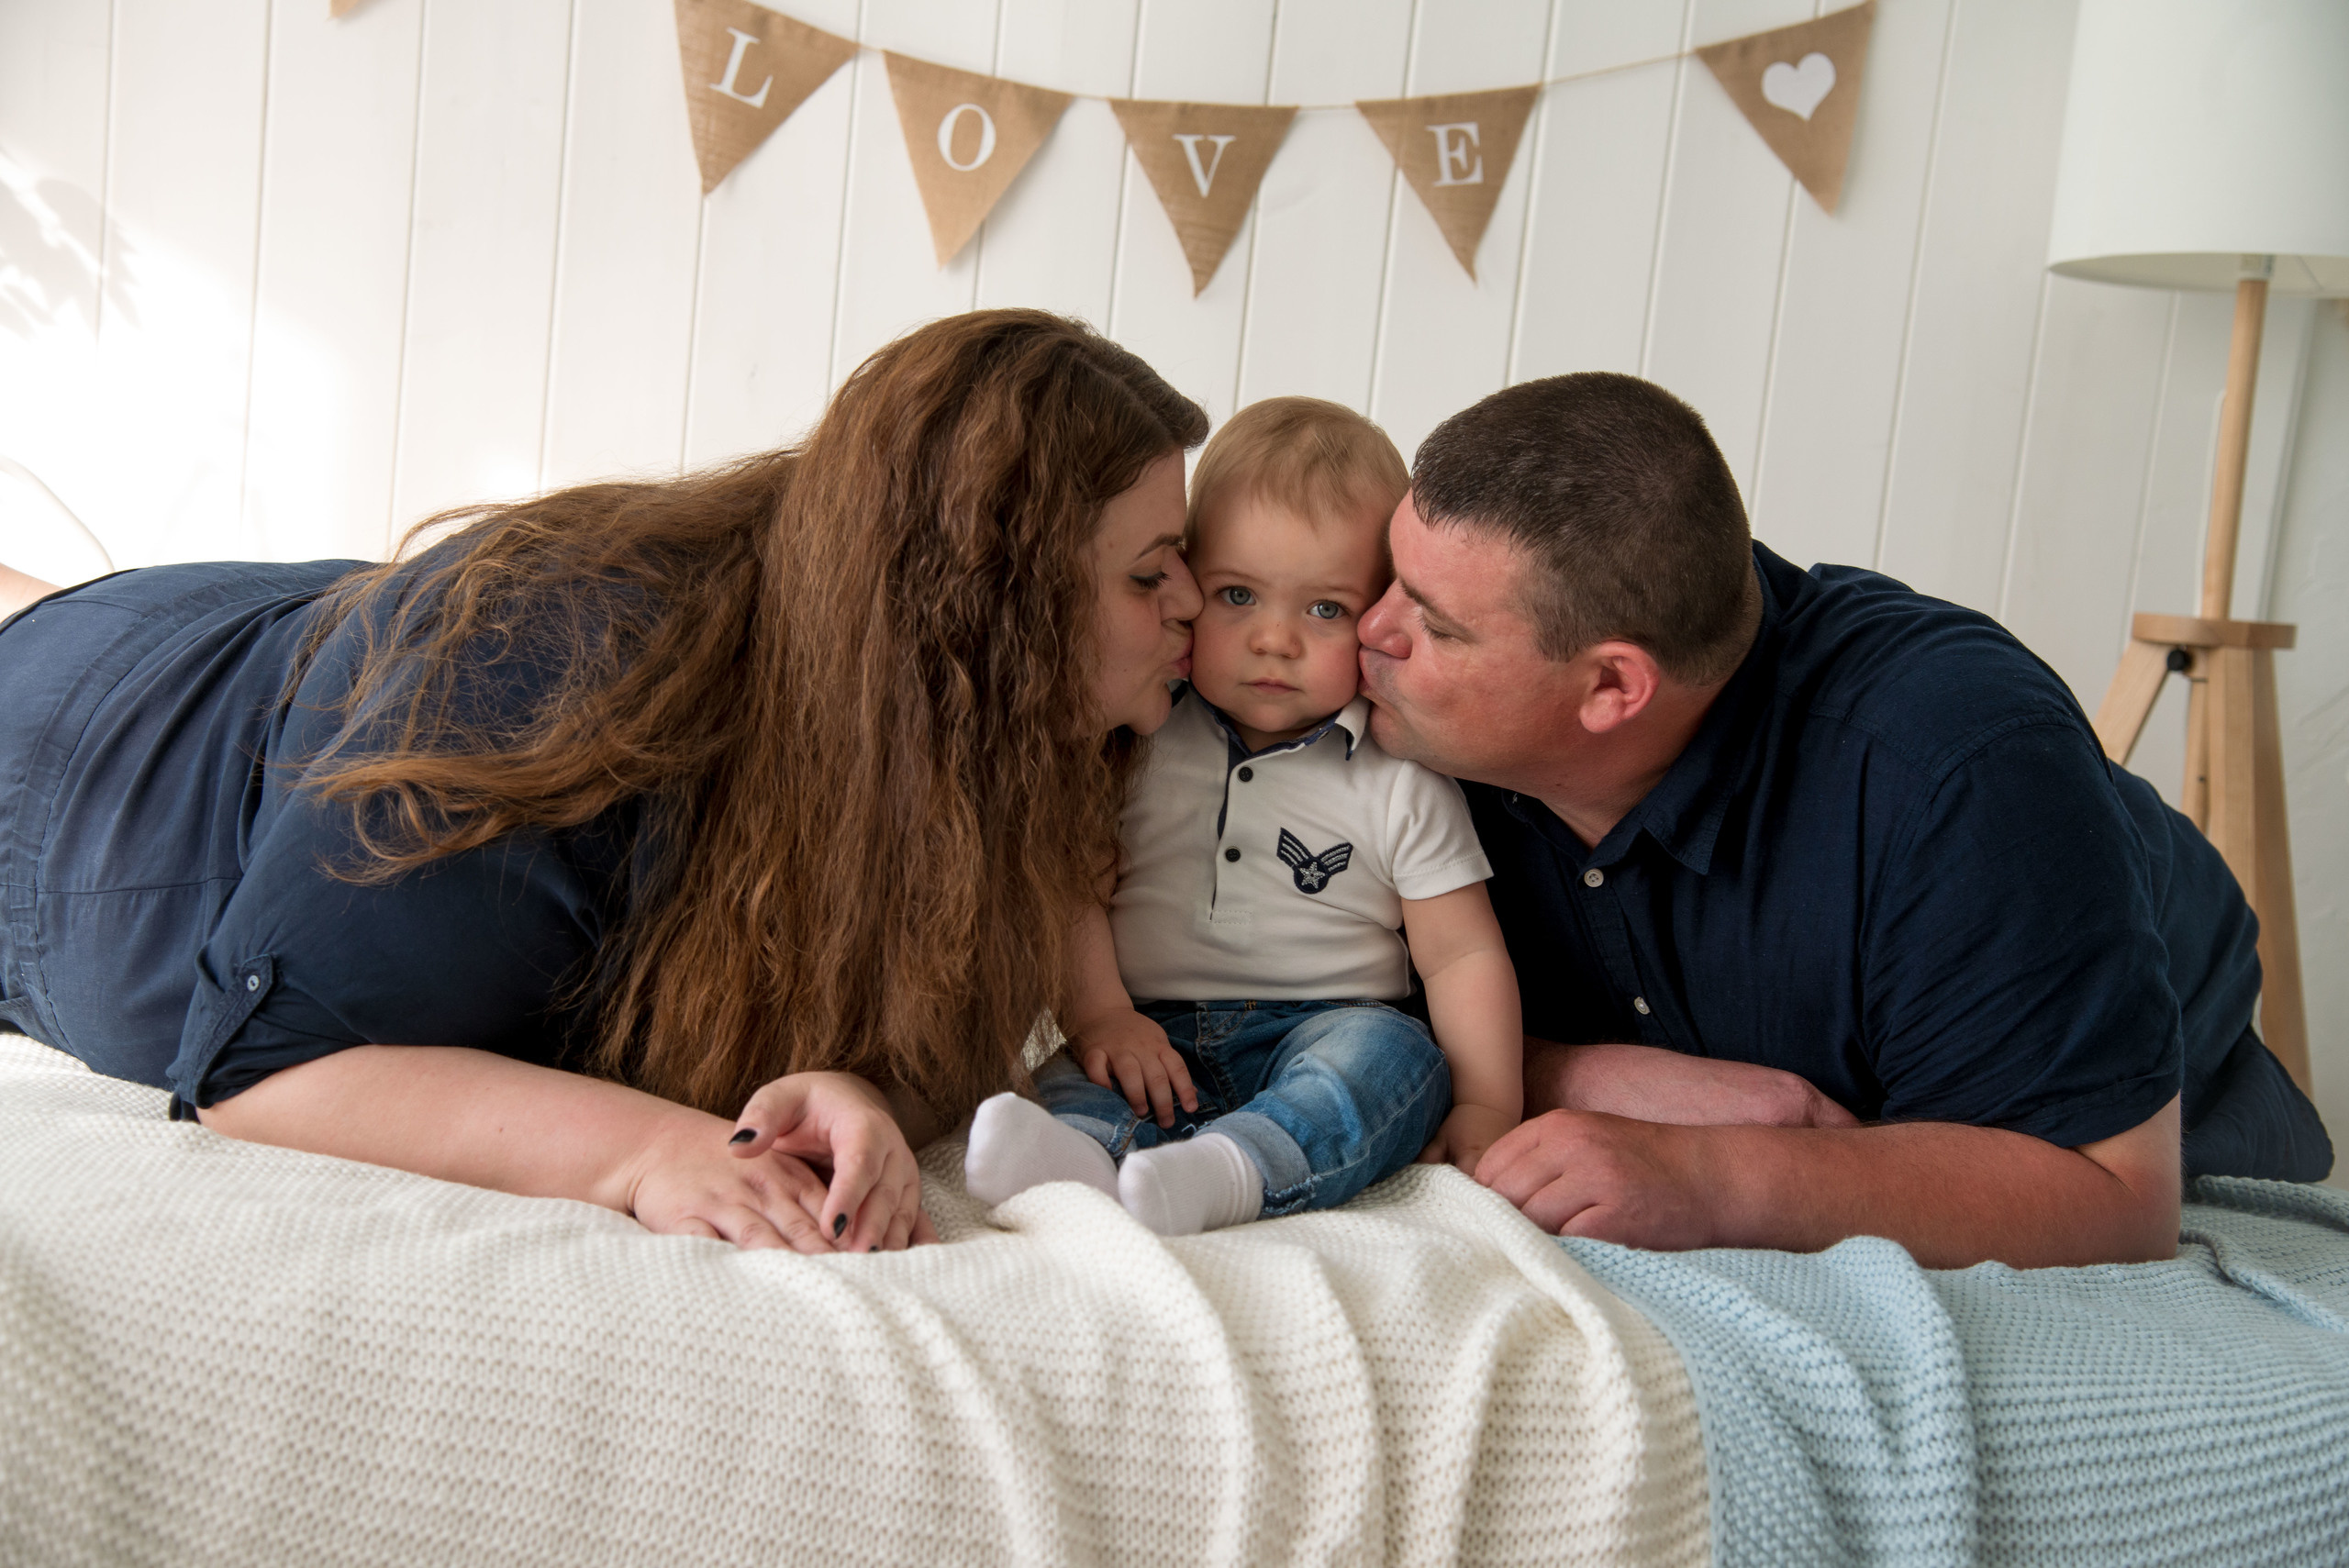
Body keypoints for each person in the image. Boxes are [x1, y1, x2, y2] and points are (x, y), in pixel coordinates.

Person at [0, 309, 1208, 1255]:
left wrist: (831, 1085)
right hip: (91, 754)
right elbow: (264, 1067)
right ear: (990, 614)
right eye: (1151, 575)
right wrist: (648, 1155)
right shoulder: (567, 659)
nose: (1193, 608)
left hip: (284, 648)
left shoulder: (940, 736)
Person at [1354, 371, 2332, 1271]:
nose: (1370, 629)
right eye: (1389, 575)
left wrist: (1715, 1175)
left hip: (2135, 1112)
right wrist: (1577, 1072)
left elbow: (2114, 1199)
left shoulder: (1957, 761)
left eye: (1434, 625)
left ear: (1612, 684)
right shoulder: (1390, 719)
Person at [962, 397, 1521, 1235]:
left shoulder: (1400, 778)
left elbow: (1463, 952)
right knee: (1074, 1071)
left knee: (1395, 1063)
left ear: (1381, 613)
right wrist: (1101, 1014)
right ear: (1185, 581)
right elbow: (1069, 885)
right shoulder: (1138, 735)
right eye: (1237, 595)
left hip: (1326, 1025)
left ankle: (1235, 1168)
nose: (1274, 640)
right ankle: (1077, 1157)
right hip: (1145, 1022)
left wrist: (1487, 1101)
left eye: (1324, 609)